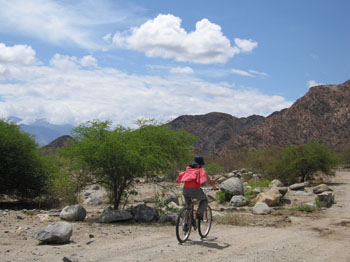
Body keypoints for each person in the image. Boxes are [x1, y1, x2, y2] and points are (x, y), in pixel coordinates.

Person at [177, 156, 218, 220]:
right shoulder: (201, 171)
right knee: (204, 200)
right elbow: (209, 182)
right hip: (195, 190)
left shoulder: (188, 169)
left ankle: (186, 224)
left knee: (189, 207)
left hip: (185, 190)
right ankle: (199, 213)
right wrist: (215, 187)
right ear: (201, 164)